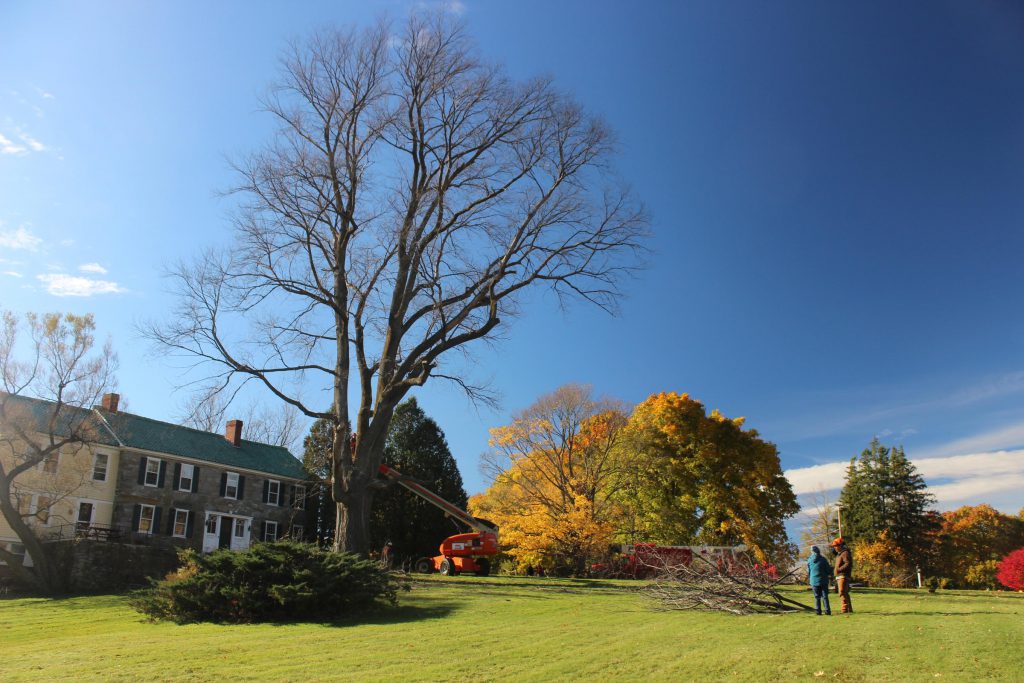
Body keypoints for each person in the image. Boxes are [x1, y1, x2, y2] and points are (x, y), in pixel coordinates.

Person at [807, 546, 832, 615]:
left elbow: (808, 571)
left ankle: (818, 611)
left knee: (817, 597)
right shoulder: (823, 560)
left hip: (814, 580)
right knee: (825, 596)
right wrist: (831, 569)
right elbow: (828, 571)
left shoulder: (809, 560)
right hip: (823, 580)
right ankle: (827, 611)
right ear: (819, 551)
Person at [831, 537, 853, 613]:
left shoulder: (845, 553)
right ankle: (849, 609)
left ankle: (844, 610)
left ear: (840, 545)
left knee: (842, 592)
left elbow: (848, 563)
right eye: (834, 546)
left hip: (843, 575)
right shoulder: (839, 554)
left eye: (836, 546)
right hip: (839, 575)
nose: (835, 548)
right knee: (845, 592)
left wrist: (839, 569)